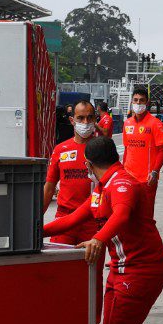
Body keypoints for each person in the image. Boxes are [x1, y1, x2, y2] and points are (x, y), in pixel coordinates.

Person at [46, 135, 163, 324]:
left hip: (142, 270)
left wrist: (98, 239)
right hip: (122, 268)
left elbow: (122, 214)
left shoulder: (122, 183)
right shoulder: (102, 188)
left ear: (88, 164)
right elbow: (72, 218)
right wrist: (34, 230)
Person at [43, 99, 101, 246]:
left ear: (95, 119)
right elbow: (49, 188)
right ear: (72, 120)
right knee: (59, 260)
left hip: (93, 219)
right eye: (80, 118)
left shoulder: (102, 149)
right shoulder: (60, 149)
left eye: (89, 117)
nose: (85, 122)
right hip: (64, 218)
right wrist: (35, 219)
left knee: (91, 262)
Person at [120, 86, 163, 188]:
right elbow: (126, 148)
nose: (138, 103)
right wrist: (122, 170)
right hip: (128, 177)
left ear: (147, 103)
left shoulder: (156, 124)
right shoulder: (127, 123)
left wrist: (155, 172)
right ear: (132, 101)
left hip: (147, 179)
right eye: (135, 100)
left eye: (141, 100)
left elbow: (162, 150)